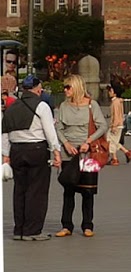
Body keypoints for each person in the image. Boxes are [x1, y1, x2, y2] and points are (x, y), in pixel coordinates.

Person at [3, 72, 63, 243]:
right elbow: (49, 131)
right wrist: (56, 151)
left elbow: (4, 133)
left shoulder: (12, 107)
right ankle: (33, 230)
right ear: (36, 89)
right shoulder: (41, 106)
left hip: (16, 150)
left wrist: (6, 155)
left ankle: (19, 229)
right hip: (36, 149)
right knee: (37, 191)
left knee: (20, 190)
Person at [53, 73, 109, 237]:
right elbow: (58, 128)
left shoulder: (92, 105)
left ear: (76, 87)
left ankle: (87, 225)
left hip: (88, 153)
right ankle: (66, 225)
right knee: (68, 189)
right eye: (64, 87)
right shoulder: (63, 106)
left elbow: (102, 126)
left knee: (88, 190)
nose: (65, 90)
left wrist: (88, 142)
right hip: (69, 153)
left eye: (68, 87)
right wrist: (66, 143)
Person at [105, 80, 131, 166]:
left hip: (116, 125)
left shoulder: (115, 102)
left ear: (114, 92)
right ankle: (126, 152)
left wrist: (114, 125)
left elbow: (116, 115)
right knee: (114, 141)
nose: (109, 93)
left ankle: (115, 158)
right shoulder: (118, 101)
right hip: (119, 124)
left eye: (110, 91)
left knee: (110, 141)